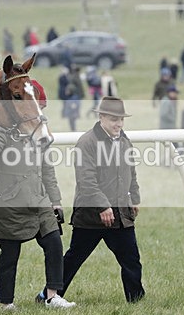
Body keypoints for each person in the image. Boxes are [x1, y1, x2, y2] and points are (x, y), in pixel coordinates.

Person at [0, 81, 75, 311]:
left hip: (40, 200)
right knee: (10, 254)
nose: (39, 113)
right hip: (11, 202)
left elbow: (48, 169)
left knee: (54, 243)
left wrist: (55, 200)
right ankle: (6, 302)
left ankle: (52, 295)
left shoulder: (41, 131)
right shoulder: (4, 128)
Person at [58, 96, 145, 303]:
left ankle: (136, 300)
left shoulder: (124, 140)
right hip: (91, 215)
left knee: (132, 260)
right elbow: (86, 180)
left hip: (121, 214)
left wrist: (134, 197)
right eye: (115, 119)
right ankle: (49, 295)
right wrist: (103, 206)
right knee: (74, 259)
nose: (119, 124)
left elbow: (131, 172)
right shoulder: (86, 142)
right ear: (101, 117)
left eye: (122, 119)